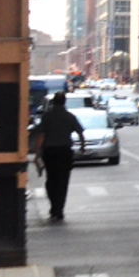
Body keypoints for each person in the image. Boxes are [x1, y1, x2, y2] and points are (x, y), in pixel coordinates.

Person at [35, 93, 85, 222]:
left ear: (53, 102)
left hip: (50, 152)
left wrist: (37, 153)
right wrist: (82, 147)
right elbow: (80, 132)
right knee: (63, 181)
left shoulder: (47, 117)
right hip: (64, 152)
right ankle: (59, 209)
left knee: (51, 180)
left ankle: (53, 206)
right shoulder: (70, 117)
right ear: (64, 102)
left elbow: (41, 135)